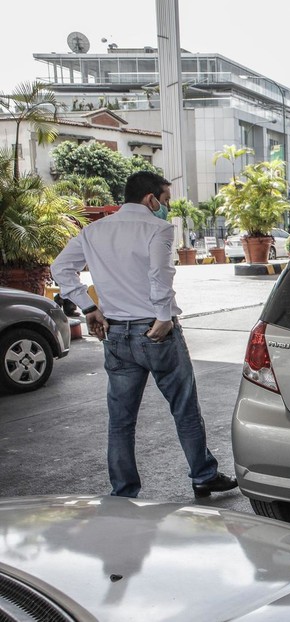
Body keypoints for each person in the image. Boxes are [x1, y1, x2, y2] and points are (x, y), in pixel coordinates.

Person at [51, 171, 238, 499]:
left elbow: (61, 268)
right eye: (164, 201)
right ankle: (203, 475)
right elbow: (160, 274)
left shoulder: (94, 231)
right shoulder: (158, 229)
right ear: (150, 199)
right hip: (156, 331)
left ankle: (123, 490)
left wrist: (89, 308)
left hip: (116, 335)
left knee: (121, 418)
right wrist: (164, 317)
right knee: (184, 407)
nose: (166, 208)